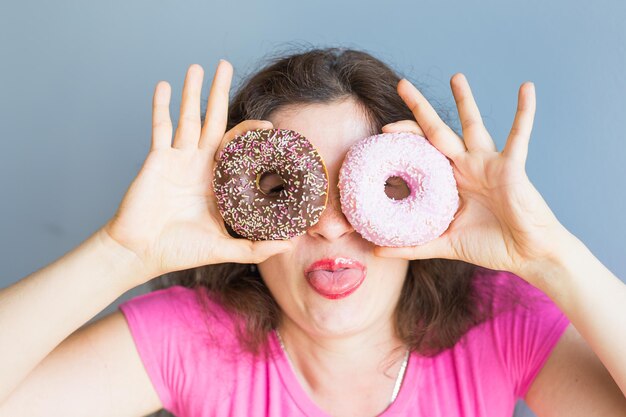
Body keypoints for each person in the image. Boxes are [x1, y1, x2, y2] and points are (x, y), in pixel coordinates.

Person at [0, 47, 624, 417]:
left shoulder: (501, 327)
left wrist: (550, 258)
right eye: (283, 193)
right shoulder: (190, 337)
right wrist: (122, 254)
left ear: (426, 196)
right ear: (235, 211)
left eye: (371, 191)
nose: (328, 226)